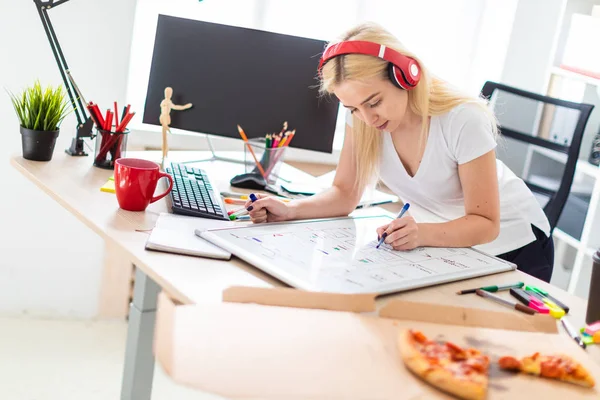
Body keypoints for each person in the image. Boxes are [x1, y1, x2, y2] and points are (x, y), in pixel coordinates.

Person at [245, 22, 554, 282]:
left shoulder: (462, 118)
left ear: (406, 76)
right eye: (353, 108)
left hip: (516, 244)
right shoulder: (361, 118)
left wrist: (421, 234)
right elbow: (344, 193)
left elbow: (486, 222)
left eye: (374, 102)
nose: (368, 118)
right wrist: (292, 209)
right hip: (447, 240)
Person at [159, 87, 192, 166]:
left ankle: (164, 154)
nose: (168, 95)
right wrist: (186, 106)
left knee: (165, 138)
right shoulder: (165, 101)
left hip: (165, 117)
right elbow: (176, 107)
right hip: (163, 118)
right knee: (164, 138)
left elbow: (177, 107)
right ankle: (164, 154)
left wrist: (186, 106)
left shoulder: (167, 102)